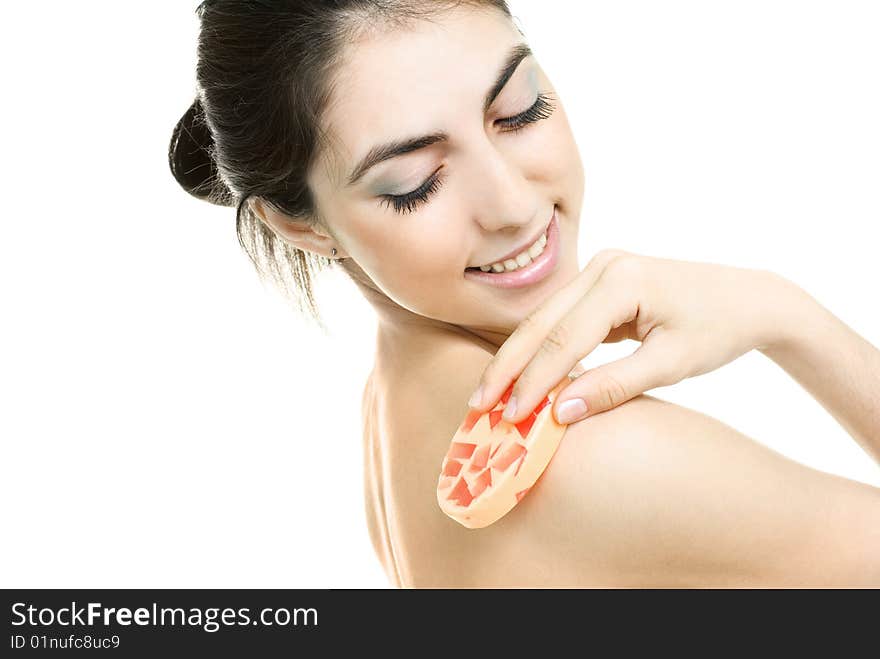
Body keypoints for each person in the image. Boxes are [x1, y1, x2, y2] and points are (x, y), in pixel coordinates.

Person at [169, 0, 880, 587]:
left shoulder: (402, 401)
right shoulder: (595, 459)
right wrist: (787, 316)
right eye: (414, 183)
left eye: (519, 109)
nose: (511, 203)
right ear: (300, 224)